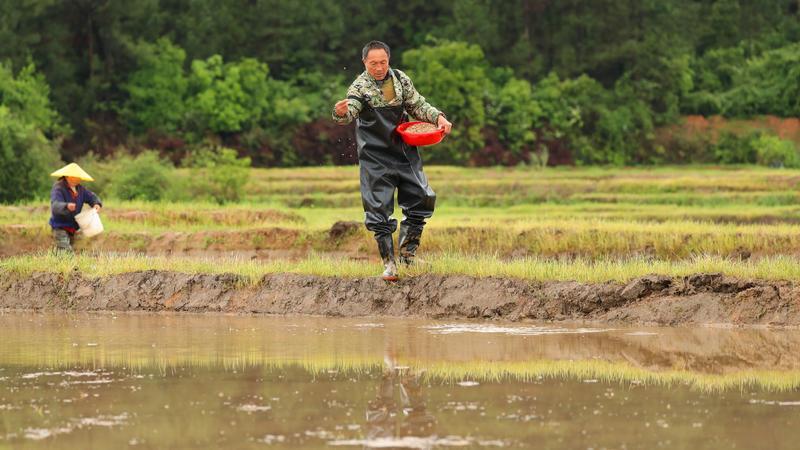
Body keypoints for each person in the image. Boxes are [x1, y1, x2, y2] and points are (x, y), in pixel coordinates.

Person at [333, 40, 452, 281]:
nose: (379, 67)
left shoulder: (399, 78)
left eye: (383, 62)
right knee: (378, 210)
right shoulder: (359, 86)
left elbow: (417, 104)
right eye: (373, 63)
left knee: (422, 197)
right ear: (365, 63)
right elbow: (351, 110)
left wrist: (438, 117)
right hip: (375, 157)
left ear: (389, 60)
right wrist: (341, 112)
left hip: (404, 150)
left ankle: (408, 257)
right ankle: (389, 264)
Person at [48, 163, 102, 253]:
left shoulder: (80, 189)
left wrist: (96, 203)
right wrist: (66, 206)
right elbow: (55, 206)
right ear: (68, 176)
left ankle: (57, 263)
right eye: (75, 177)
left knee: (64, 249)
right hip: (60, 226)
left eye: (78, 178)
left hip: (73, 226)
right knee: (66, 250)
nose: (77, 180)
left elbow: (91, 196)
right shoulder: (59, 188)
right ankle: (69, 264)